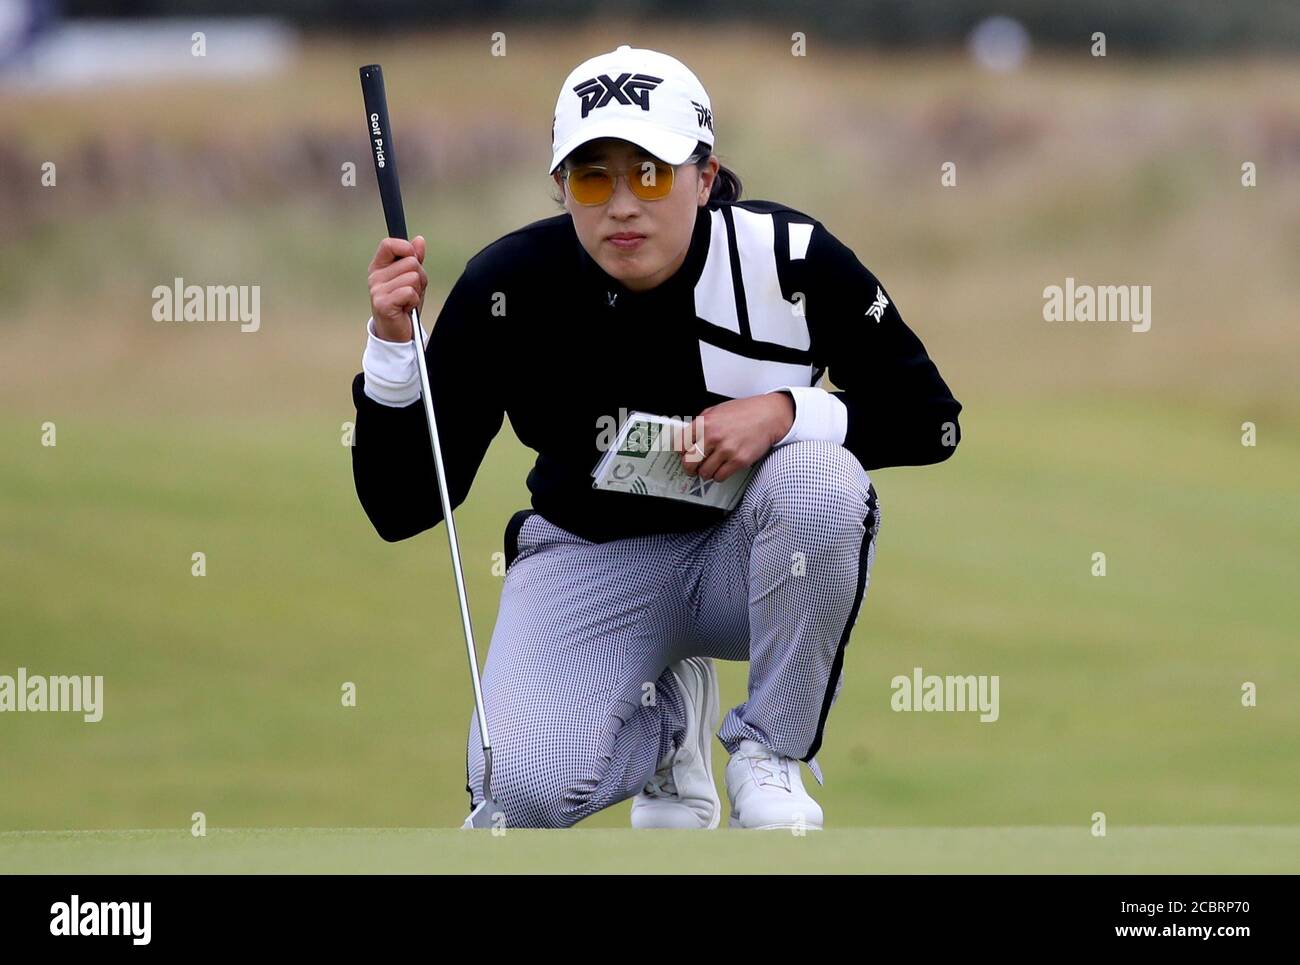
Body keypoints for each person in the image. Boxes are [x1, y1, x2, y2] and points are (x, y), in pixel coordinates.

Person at [350, 44, 962, 830]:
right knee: (519, 791)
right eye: (592, 177)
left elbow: (932, 418)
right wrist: (392, 348)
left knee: (822, 478)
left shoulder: (790, 261)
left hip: (749, 560)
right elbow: (401, 505)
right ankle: (667, 718)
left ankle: (769, 753)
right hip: (587, 559)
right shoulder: (510, 286)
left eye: (650, 173)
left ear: (704, 178)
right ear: (563, 188)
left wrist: (785, 411)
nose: (622, 205)